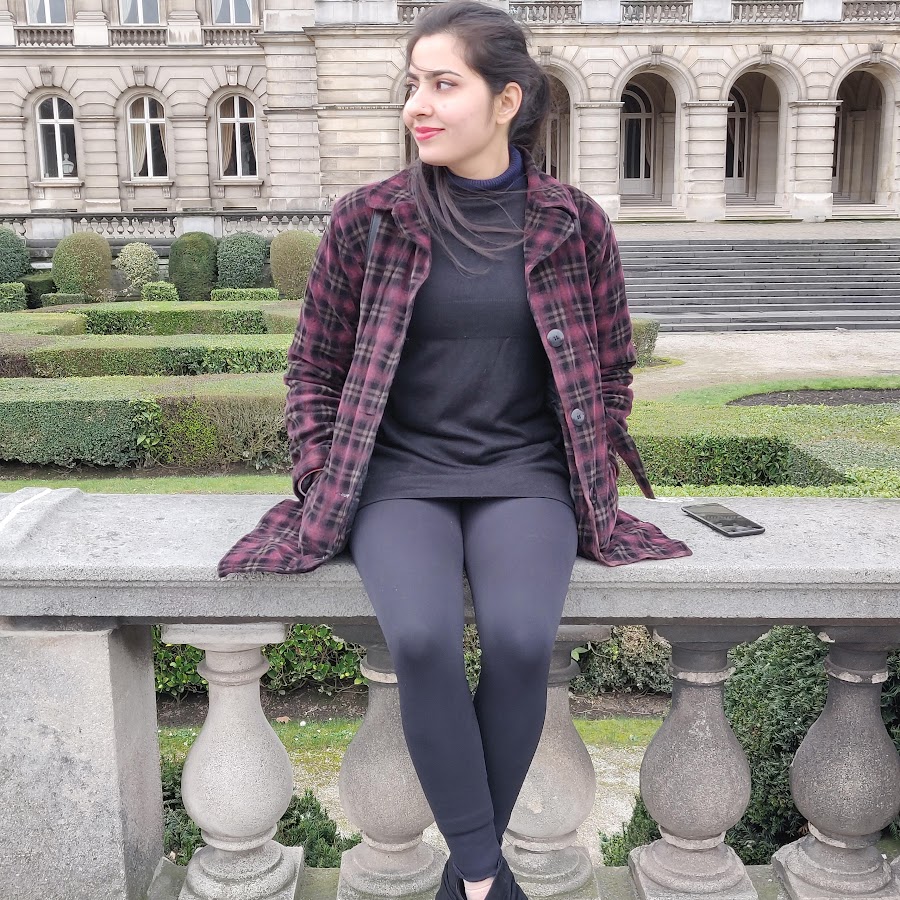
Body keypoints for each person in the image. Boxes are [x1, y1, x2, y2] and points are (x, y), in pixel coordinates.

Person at [217, 2, 691, 898]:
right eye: (413, 84)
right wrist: (320, 468)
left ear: (507, 100)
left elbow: (610, 363)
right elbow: (313, 365)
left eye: (443, 84)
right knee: (423, 638)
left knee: (519, 639)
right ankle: (482, 878)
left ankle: (469, 878)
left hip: (526, 474)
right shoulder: (369, 219)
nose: (418, 105)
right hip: (397, 475)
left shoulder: (573, 222)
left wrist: (593, 453)